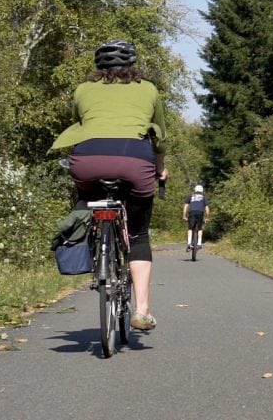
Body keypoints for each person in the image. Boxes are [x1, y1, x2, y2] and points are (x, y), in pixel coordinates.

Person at [50, 39, 169, 332]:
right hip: (135, 161)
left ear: (98, 66)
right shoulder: (148, 89)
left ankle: (88, 243)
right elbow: (160, 137)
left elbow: (81, 124)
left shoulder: (82, 89)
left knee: (86, 199)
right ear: (131, 65)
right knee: (139, 234)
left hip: (87, 161)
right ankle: (141, 310)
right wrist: (160, 169)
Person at [183, 184, 210, 251]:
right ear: (202, 190)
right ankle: (199, 243)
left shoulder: (190, 195)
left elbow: (185, 207)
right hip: (200, 213)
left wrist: (184, 216)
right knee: (200, 228)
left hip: (192, 212)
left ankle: (189, 243)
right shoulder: (203, 197)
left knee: (190, 228)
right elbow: (207, 208)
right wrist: (207, 217)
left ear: (195, 190)